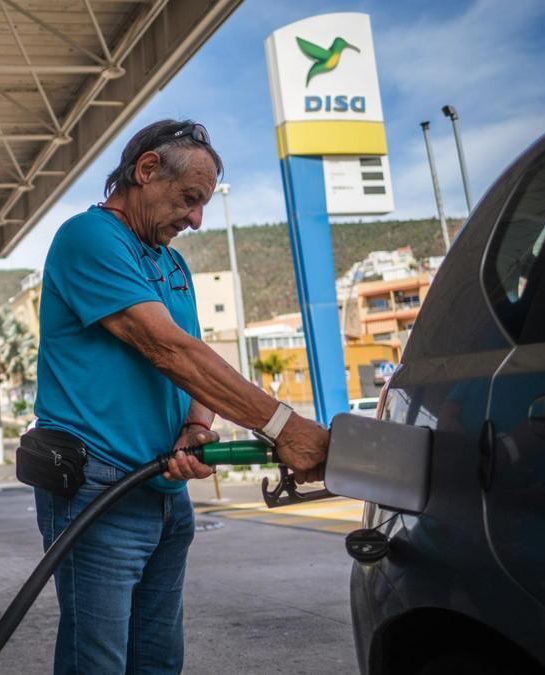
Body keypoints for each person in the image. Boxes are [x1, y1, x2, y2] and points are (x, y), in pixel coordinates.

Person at [33, 119, 330, 674]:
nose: (195, 220)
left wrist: (197, 425)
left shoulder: (172, 265)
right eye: (190, 200)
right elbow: (166, 349)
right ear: (146, 170)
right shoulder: (89, 238)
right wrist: (287, 428)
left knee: (159, 659)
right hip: (98, 490)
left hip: (164, 487)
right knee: (97, 662)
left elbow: (192, 354)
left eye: (203, 206)